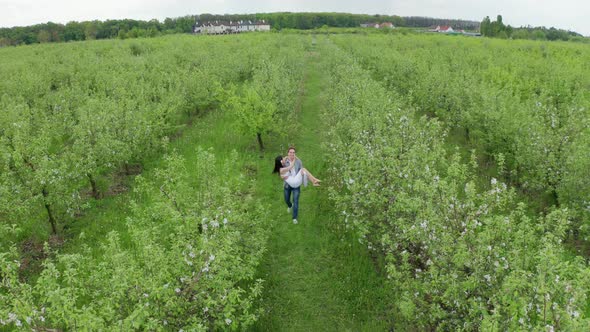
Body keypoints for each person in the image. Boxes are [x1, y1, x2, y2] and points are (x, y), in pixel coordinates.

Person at [272, 147, 321, 224]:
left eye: (293, 153)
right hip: (288, 185)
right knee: (287, 200)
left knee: (296, 201)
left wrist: (301, 173)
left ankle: (294, 217)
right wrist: (286, 158)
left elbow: (301, 170)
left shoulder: (298, 162)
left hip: (295, 183)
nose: (292, 154)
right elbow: (288, 165)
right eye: (290, 152)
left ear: (295, 153)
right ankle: (289, 205)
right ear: (288, 153)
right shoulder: (284, 164)